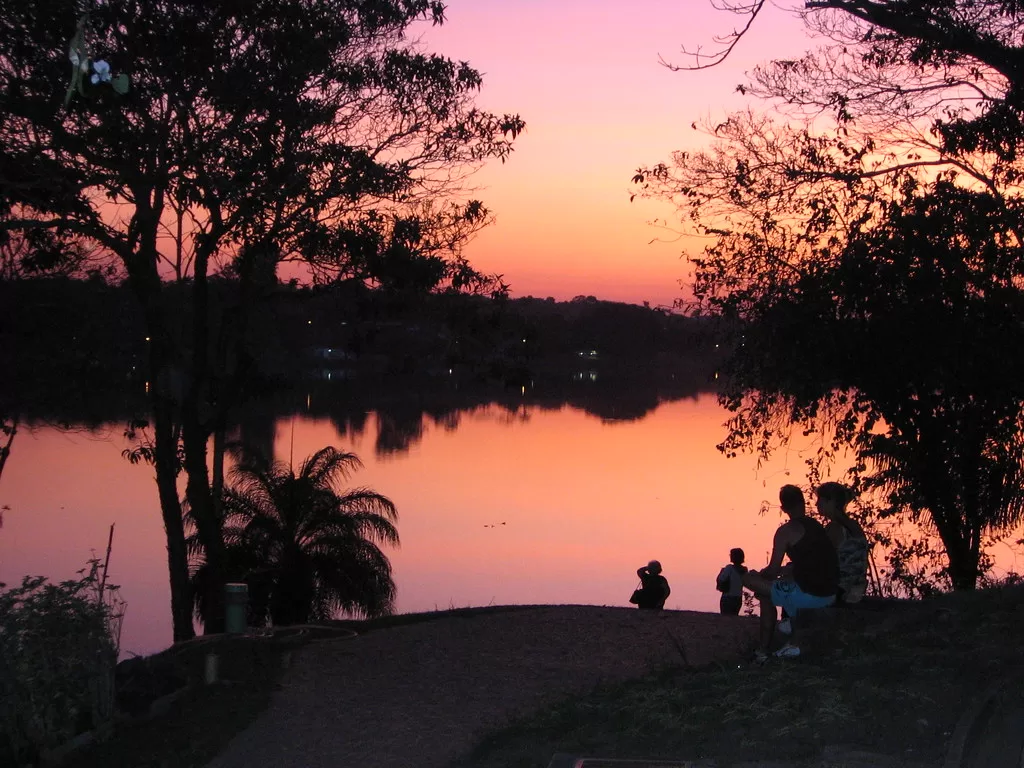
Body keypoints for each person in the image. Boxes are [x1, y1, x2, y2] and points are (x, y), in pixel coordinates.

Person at [742, 485, 839, 660]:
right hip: (830, 591)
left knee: (752, 583)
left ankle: (764, 650)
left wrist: (758, 576)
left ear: (783, 508)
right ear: (803, 502)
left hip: (813, 595)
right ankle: (784, 630)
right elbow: (810, 564)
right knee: (772, 587)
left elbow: (771, 571)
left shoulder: (785, 532)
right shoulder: (816, 526)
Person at [816, 482, 869, 604]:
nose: (816, 504)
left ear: (830, 502)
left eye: (820, 500)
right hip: (854, 586)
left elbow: (820, 560)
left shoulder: (835, 528)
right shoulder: (854, 526)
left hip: (841, 589)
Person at [716, 548, 747, 615]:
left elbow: (721, 579)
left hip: (727, 597)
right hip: (738, 598)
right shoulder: (744, 570)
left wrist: (721, 572)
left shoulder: (729, 568)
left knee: (725, 617)